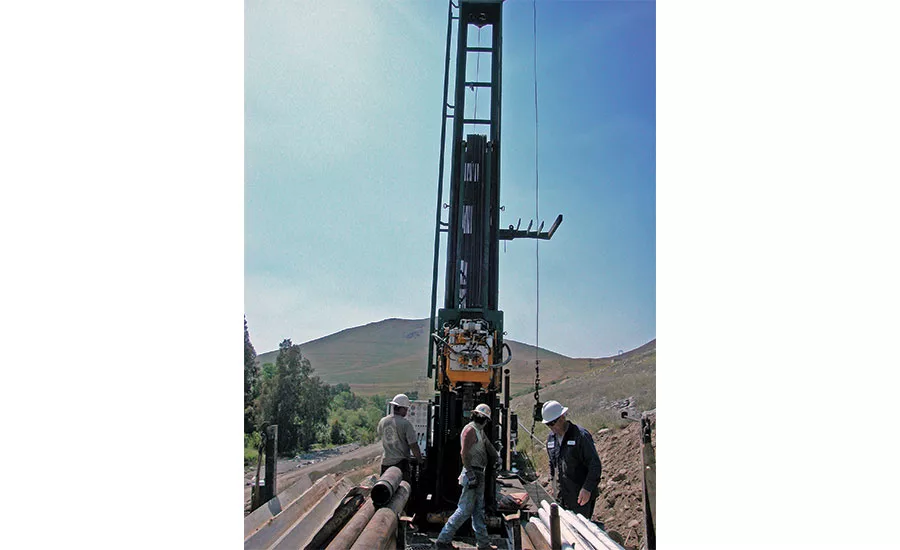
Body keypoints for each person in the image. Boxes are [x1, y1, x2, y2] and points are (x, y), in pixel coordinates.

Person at [434, 404, 501, 550]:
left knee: (478, 510)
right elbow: (463, 453)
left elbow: (488, 445)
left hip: (479, 473)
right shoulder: (470, 430)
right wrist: (470, 474)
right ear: (483, 419)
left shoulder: (479, 431)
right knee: (464, 510)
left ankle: (483, 544)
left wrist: (497, 456)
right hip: (473, 474)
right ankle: (442, 540)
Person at [542, 400, 602, 519]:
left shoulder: (580, 436)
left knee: (581, 530)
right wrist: (553, 485)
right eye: (548, 424)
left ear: (562, 418)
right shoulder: (551, 439)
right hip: (562, 497)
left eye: (553, 423)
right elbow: (552, 464)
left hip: (580, 498)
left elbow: (595, 465)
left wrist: (587, 489)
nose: (551, 427)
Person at [377, 393, 423, 482]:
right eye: (406, 409)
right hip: (400, 464)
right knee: (403, 490)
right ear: (401, 408)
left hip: (385, 462)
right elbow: (413, 445)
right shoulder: (406, 424)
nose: (406, 411)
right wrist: (420, 460)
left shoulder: (382, 421)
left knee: (385, 488)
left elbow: (380, 434)